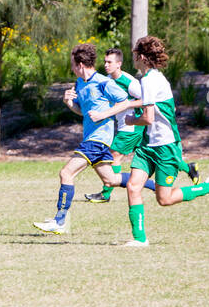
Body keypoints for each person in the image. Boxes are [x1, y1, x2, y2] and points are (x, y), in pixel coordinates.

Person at [86, 36, 209, 247]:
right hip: (148, 146)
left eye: (135, 55)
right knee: (133, 186)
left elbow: (148, 118)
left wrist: (130, 119)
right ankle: (140, 239)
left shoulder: (150, 80)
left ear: (143, 58)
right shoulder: (148, 78)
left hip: (166, 146)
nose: (133, 59)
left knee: (165, 199)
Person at [31, 44, 135, 234]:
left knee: (66, 173)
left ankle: (59, 221)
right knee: (111, 179)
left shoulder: (104, 82)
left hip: (97, 140)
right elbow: (82, 112)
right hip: (93, 139)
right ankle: (152, 184)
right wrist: (69, 102)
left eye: (72, 65)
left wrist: (105, 114)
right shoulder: (80, 83)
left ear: (80, 65)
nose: (71, 68)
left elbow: (125, 102)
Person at [82, 46, 197, 202]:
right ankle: (188, 167)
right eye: (105, 62)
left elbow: (146, 99)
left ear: (119, 64)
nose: (106, 65)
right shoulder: (108, 81)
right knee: (125, 159)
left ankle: (105, 193)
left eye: (109, 62)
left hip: (133, 126)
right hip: (128, 126)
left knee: (113, 155)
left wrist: (128, 105)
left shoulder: (129, 82)